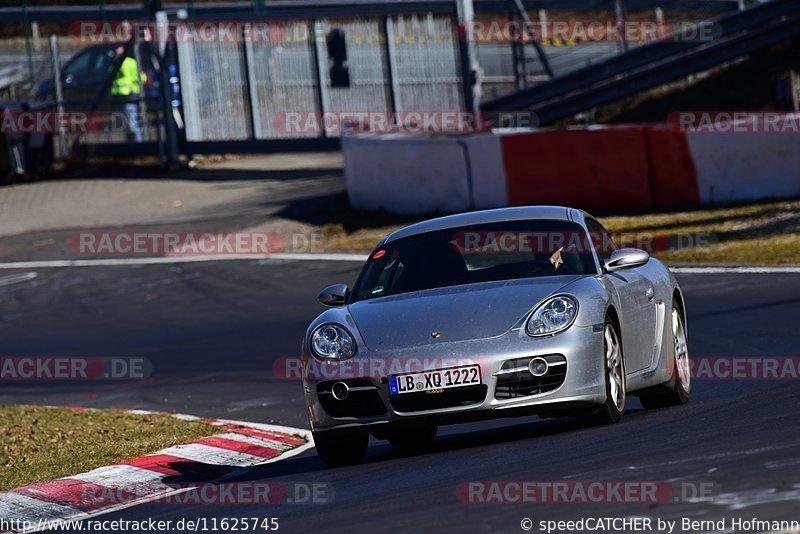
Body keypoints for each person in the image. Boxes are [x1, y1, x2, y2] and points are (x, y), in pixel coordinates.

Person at [110, 46, 147, 142]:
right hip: (118, 97)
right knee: (125, 125)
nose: (117, 55)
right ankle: (131, 145)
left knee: (132, 124)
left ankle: (139, 144)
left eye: (119, 54)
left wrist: (132, 85)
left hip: (129, 96)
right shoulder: (114, 64)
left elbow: (141, 77)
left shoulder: (130, 63)